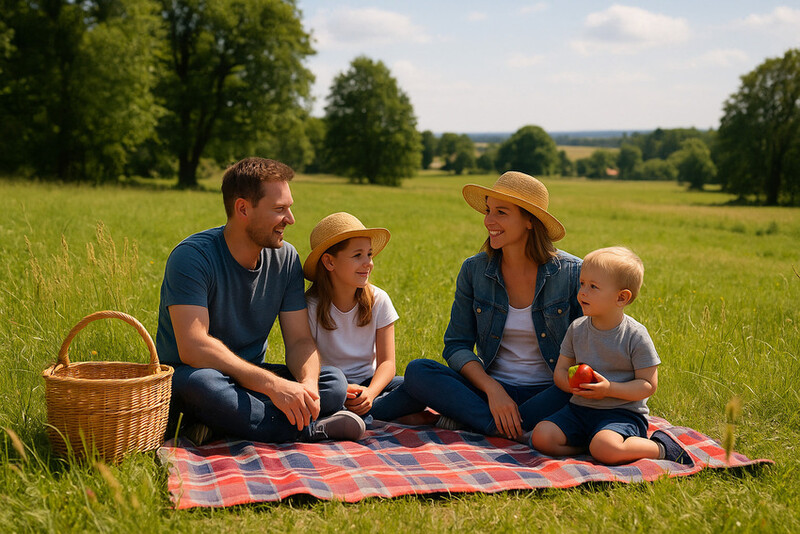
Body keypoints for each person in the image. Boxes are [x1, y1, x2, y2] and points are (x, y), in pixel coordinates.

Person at [155, 157, 365, 446]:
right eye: (280, 209)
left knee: (333, 383)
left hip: (250, 382)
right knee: (202, 384)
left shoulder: (286, 258)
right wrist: (274, 385)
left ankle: (228, 424)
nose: (290, 219)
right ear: (243, 208)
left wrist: (306, 386)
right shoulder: (192, 257)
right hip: (193, 378)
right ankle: (310, 430)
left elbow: (300, 341)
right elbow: (193, 347)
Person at [403, 171, 582, 442]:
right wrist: (493, 390)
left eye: (501, 212)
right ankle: (506, 425)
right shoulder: (474, 270)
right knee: (418, 371)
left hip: (551, 392)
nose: (489, 221)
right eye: (488, 210)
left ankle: (479, 420)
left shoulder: (571, 273)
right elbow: (456, 344)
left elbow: (592, 347)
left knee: (576, 390)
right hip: (490, 391)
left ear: (530, 221)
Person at [530, 247, 690, 465]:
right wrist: (572, 386)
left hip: (621, 414)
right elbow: (560, 371)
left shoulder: (635, 335)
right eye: (582, 283)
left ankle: (661, 447)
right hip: (578, 410)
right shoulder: (577, 329)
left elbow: (647, 385)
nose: (582, 292)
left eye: (593, 287)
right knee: (541, 436)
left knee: (606, 446)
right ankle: (589, 447)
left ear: (621, 298)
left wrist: (609, 389)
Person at [303, 212, 424, 422]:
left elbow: (387, 362)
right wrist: (344, 389)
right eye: (357, 255)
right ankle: (375, 415)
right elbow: (306, 363)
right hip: (331, 384)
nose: (368, 262)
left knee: (421, 385)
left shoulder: (379, 300)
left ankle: (354, 415)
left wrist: (371, 393)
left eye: (369, 254)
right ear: (329, 262)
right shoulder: (311, 306)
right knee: (333, 388)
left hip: (370, 384)